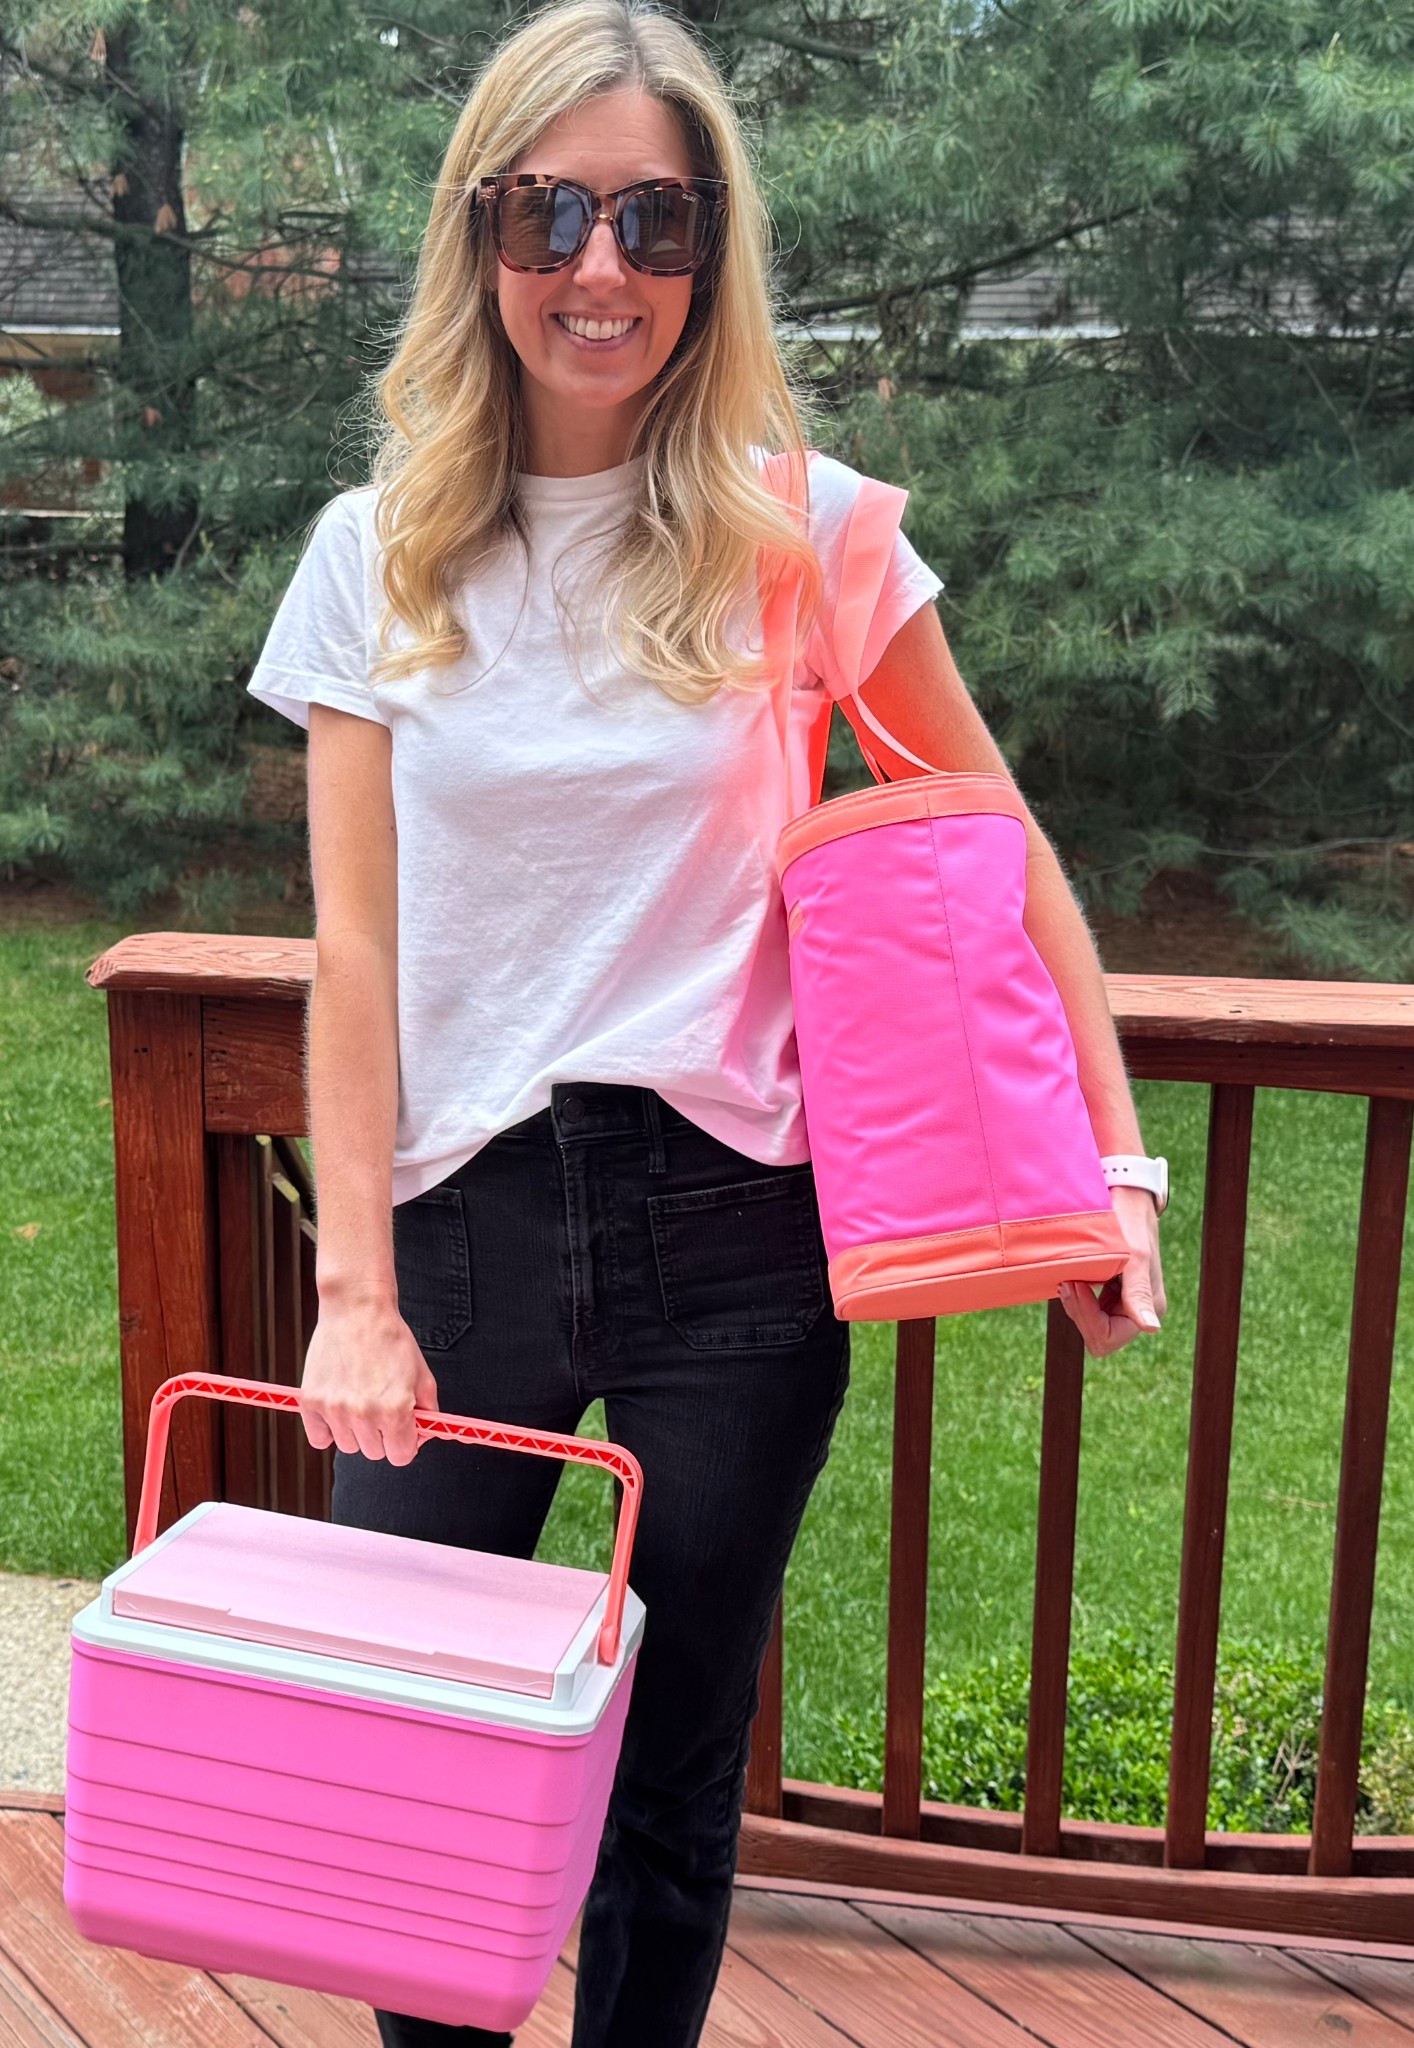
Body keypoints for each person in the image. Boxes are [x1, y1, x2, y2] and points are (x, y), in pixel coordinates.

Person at [244, 2, 1167, 2041]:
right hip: (464, 1218)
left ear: (711, 250)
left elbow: (1006, 854)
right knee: (423, 1765)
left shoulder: (806, 533)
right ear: (480, 235)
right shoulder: (375, 553)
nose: (600, 267)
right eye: (550, 211)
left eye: (654, 220)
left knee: (670, 1782)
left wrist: (1111, 1165)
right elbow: (355, 952)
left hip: (735, 1234)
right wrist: (356, 1287)